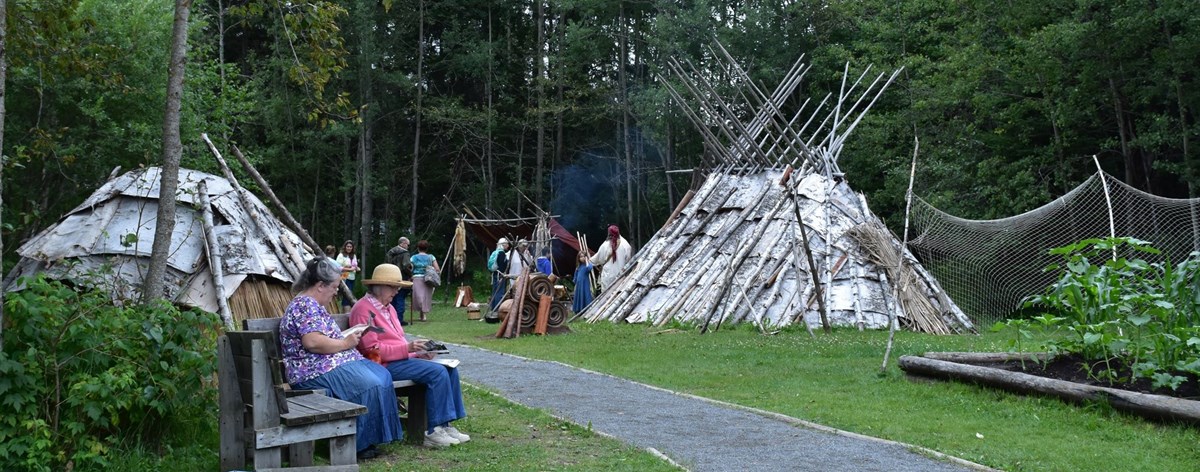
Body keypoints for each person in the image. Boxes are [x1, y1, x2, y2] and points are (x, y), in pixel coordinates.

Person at [278, 257, 402, 460]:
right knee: (369, 383)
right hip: (312, 371)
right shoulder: (304, 305)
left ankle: (371, 438)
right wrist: (346, 343)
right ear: (320, 285)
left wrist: (347, 338)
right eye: (334, 287)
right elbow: (313, 342)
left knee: (382, 375)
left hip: (327, 364)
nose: (337, 292)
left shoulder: (313, 304)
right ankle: (356, 443)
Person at [351, 263, 469, 448]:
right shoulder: (362, 309)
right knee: (436, 373)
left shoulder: (388, 308)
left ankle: (445, 425)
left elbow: (398, 341)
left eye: (398, 287)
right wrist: (408, 350)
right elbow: (370, 350)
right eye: (393, 287)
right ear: (379, 286)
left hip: (400, 360)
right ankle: (433, 432)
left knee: (449, 369)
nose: (397, 291)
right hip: (380, 366)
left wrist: (418, 353)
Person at [588, 225, 633, 293]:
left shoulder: (605, 245)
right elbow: (628, 260)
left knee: (606, 295)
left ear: (609, 233)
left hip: (608, 275)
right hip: (621, 274)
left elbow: (599, 258)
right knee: (619, 294)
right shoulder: (626, 244)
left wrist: (589, 261)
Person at [385, 237, 414, 325]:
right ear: (403, 243)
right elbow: (406, 266)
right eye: (407, 245)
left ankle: (391, 318)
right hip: (402, 277)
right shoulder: (405, 253)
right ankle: (399, 319)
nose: (408, 247)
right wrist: (410, 274)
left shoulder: (390, 252)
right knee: (400, 298)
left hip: (391, 277)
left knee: (392, 298)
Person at [410, 240, 441, 322]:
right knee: (426, 296)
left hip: (416, 278)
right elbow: (437, 268)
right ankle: (423, 315)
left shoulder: (414, 257)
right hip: (428, 278)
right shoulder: (431, 257)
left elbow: (410, 268)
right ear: (427, 248)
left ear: (418, 248)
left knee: (418, 296)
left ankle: (422, 315)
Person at [488, 238, 511, 311]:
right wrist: (503, 275)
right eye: (506, 244)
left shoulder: (495, 252)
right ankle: (497, 309)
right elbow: (502, 266)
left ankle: (493, 307)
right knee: (499, 292)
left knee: (495, 291)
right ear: (503, 245)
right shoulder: (501, 253)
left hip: (495, 274)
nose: (508, 245)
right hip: (500, 275)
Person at [336, 240, 360, 309]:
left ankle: (348, 310)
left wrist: (357, 268)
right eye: (348, 246)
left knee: (350, 294)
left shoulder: (353, 256)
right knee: (346, 295)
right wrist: (349, 269)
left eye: (350, 247)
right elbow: (337, 267)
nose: (349, 248)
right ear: (345, 247)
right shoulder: (341, 255)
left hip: (352, 277)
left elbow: (354, 266)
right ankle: (346, 311)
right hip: (344, 277)